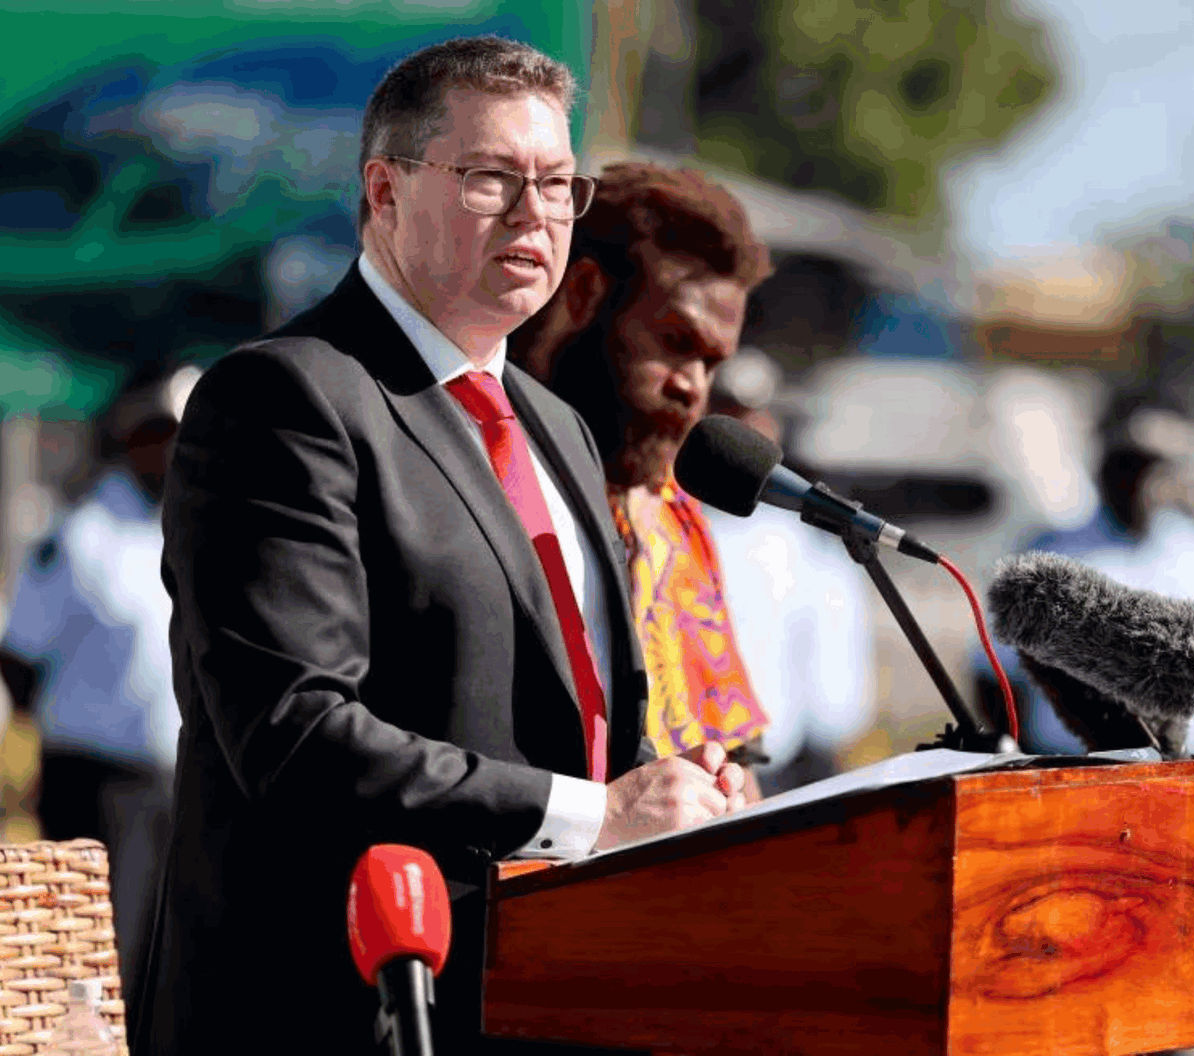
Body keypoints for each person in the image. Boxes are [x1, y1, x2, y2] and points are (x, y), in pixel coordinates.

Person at [135, 37, 749, 1056]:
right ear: (383, 189)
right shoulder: (288, 397)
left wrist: (667, 790)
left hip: (548, 986)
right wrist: (591, 813)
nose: (535, 212)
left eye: (557, 183)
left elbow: (577, 730)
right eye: (491, 178)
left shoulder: (555, 425)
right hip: (334, 1006)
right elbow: (293, 734)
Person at [512, 162, 775, 773]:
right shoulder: (474, 469)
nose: (695, 391)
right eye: (677, 342)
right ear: (582, 294)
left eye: (713, 364)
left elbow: (735, 757)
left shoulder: (676, 519)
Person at [0, 365, 194, 1009]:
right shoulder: (82, 534)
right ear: (130, 437)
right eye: (158, 432)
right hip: (99, 784)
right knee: (95, 965)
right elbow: (21, 658)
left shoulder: (188, 528)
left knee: (165, 966)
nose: (170, 449)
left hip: (180, 782)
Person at [975, 415, 1194, 758]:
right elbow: (991, 675)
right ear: (1102, 468)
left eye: (1153, 467)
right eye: (1127, 465)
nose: (1139, 480)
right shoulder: (1050, 551)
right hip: (1071, 769)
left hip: (1186, 772)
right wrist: (1018, 760)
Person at [696, 348, 877, 793]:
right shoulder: (664, 520)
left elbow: (836, 681)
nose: (747, 429)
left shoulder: (799, 535)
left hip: (784, 766)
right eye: (728, 414)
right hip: (694, 766)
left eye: (757, 416)